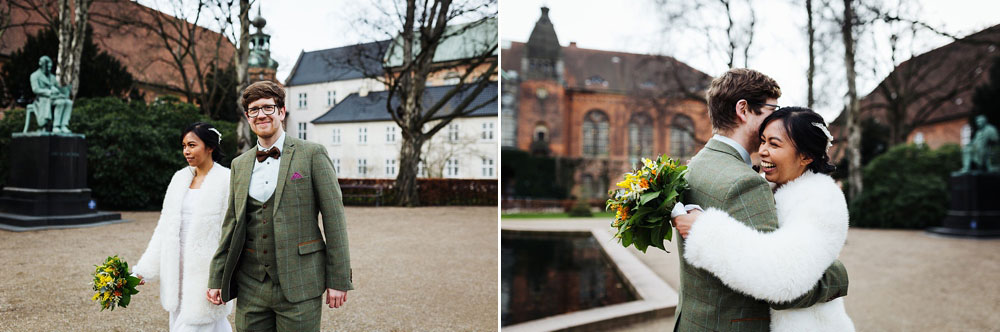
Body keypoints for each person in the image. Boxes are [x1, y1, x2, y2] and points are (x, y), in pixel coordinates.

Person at [669, 68, 849, 331]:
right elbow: (778, 280)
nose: (775, 117)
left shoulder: (697, 164)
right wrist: (838, 276)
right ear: (743, 110)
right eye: (770, 109)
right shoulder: (747, 183)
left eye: (774, 143)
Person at [207, 81, 353, 332]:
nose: (261, 114)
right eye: (254, 110)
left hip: (300, 282)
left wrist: (338, 279)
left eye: (268, 107)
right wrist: (217, 277)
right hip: (250, 284)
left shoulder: (312, 154)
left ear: (282, 112)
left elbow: (334, 219)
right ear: (248, 117)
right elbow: (231, 224)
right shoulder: (239, 164)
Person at [134, 122, 233, 331]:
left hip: (206, 273)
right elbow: (164, 230)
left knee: (200, 323)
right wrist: (143, 271)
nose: (186, 151)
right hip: (176, 270)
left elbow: (232, 234)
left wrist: (224, 278)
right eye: (184, 146)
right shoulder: (179, 179)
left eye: (192, 145)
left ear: (210, 147)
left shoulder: (227, 179)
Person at [29, 55, 73, 133]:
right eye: (48, 67)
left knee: (69, 102)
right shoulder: (35, 76)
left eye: (50, 67)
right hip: (42, 99)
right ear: (43, 65)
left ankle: (63, 125)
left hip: (54, 98)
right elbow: (35, 89)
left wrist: (66, 89)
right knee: (61, 102)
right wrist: (49, 92)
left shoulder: (52, 77)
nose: (49, 69)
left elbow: (58, 88)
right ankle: (56, 126)